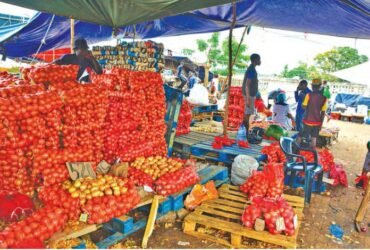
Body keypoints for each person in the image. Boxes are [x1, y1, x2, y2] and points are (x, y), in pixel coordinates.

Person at [297, 79, 328, 148]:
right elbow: (323, 113)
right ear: (320, 86)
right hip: (317, 122)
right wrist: (321, 124)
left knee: (300, 135)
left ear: (312, 86)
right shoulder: (324, 98)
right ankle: (311, 153)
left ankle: (296, 149)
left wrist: (304, 100)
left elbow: (304, 107)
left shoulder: (308, 95)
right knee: (314, 138)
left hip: (307, 120)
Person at [242, 53, 261, 135]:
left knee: (249, 113)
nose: (260, 61)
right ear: (256, 60)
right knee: (249, 114)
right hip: (249, 95)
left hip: (249, 95)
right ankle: (246, 132)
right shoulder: (252, 70)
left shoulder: (252, 69)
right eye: (259, 59)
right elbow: (247, 85)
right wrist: (248, 99)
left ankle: (246, 131)